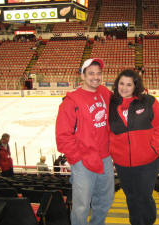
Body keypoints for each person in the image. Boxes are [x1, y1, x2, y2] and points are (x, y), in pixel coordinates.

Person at [56, 58, 114, 225]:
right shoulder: (71, 101)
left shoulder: (104, 92)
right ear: (82, 75)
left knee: (105, 201)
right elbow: (62, 136)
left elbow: (121, 105)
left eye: (98, 73)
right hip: (83, 161)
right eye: (91, 73)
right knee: (81, 207)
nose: (95, 77)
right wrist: (77, 159)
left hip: (104, 159)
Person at [109, 69, 159, 225]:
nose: (124, 87)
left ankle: (148, 222)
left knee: (144, 195)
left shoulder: (149, 101)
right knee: (131, 196)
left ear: (136, 86)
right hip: (123, 163)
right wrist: (113, 152)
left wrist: (154, 149)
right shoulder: (111, 104)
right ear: (117, 84)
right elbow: (105, 131)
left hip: (148, 161)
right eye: (121, 83)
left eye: (129, 84)